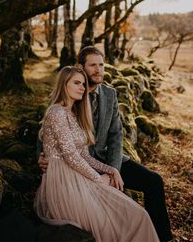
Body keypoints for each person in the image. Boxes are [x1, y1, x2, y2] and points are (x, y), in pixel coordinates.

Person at [38, 47, 173, 242]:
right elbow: (45, 134)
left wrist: (112, 170)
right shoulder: (70, 95)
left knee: (154, 181)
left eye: (101, 65)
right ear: (80, 67)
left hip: (105, 158)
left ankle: (164, 238)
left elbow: (116, 136)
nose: (98, 69)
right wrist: (42, 157)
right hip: (75, 165)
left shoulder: (110, 95)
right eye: (92, 65)